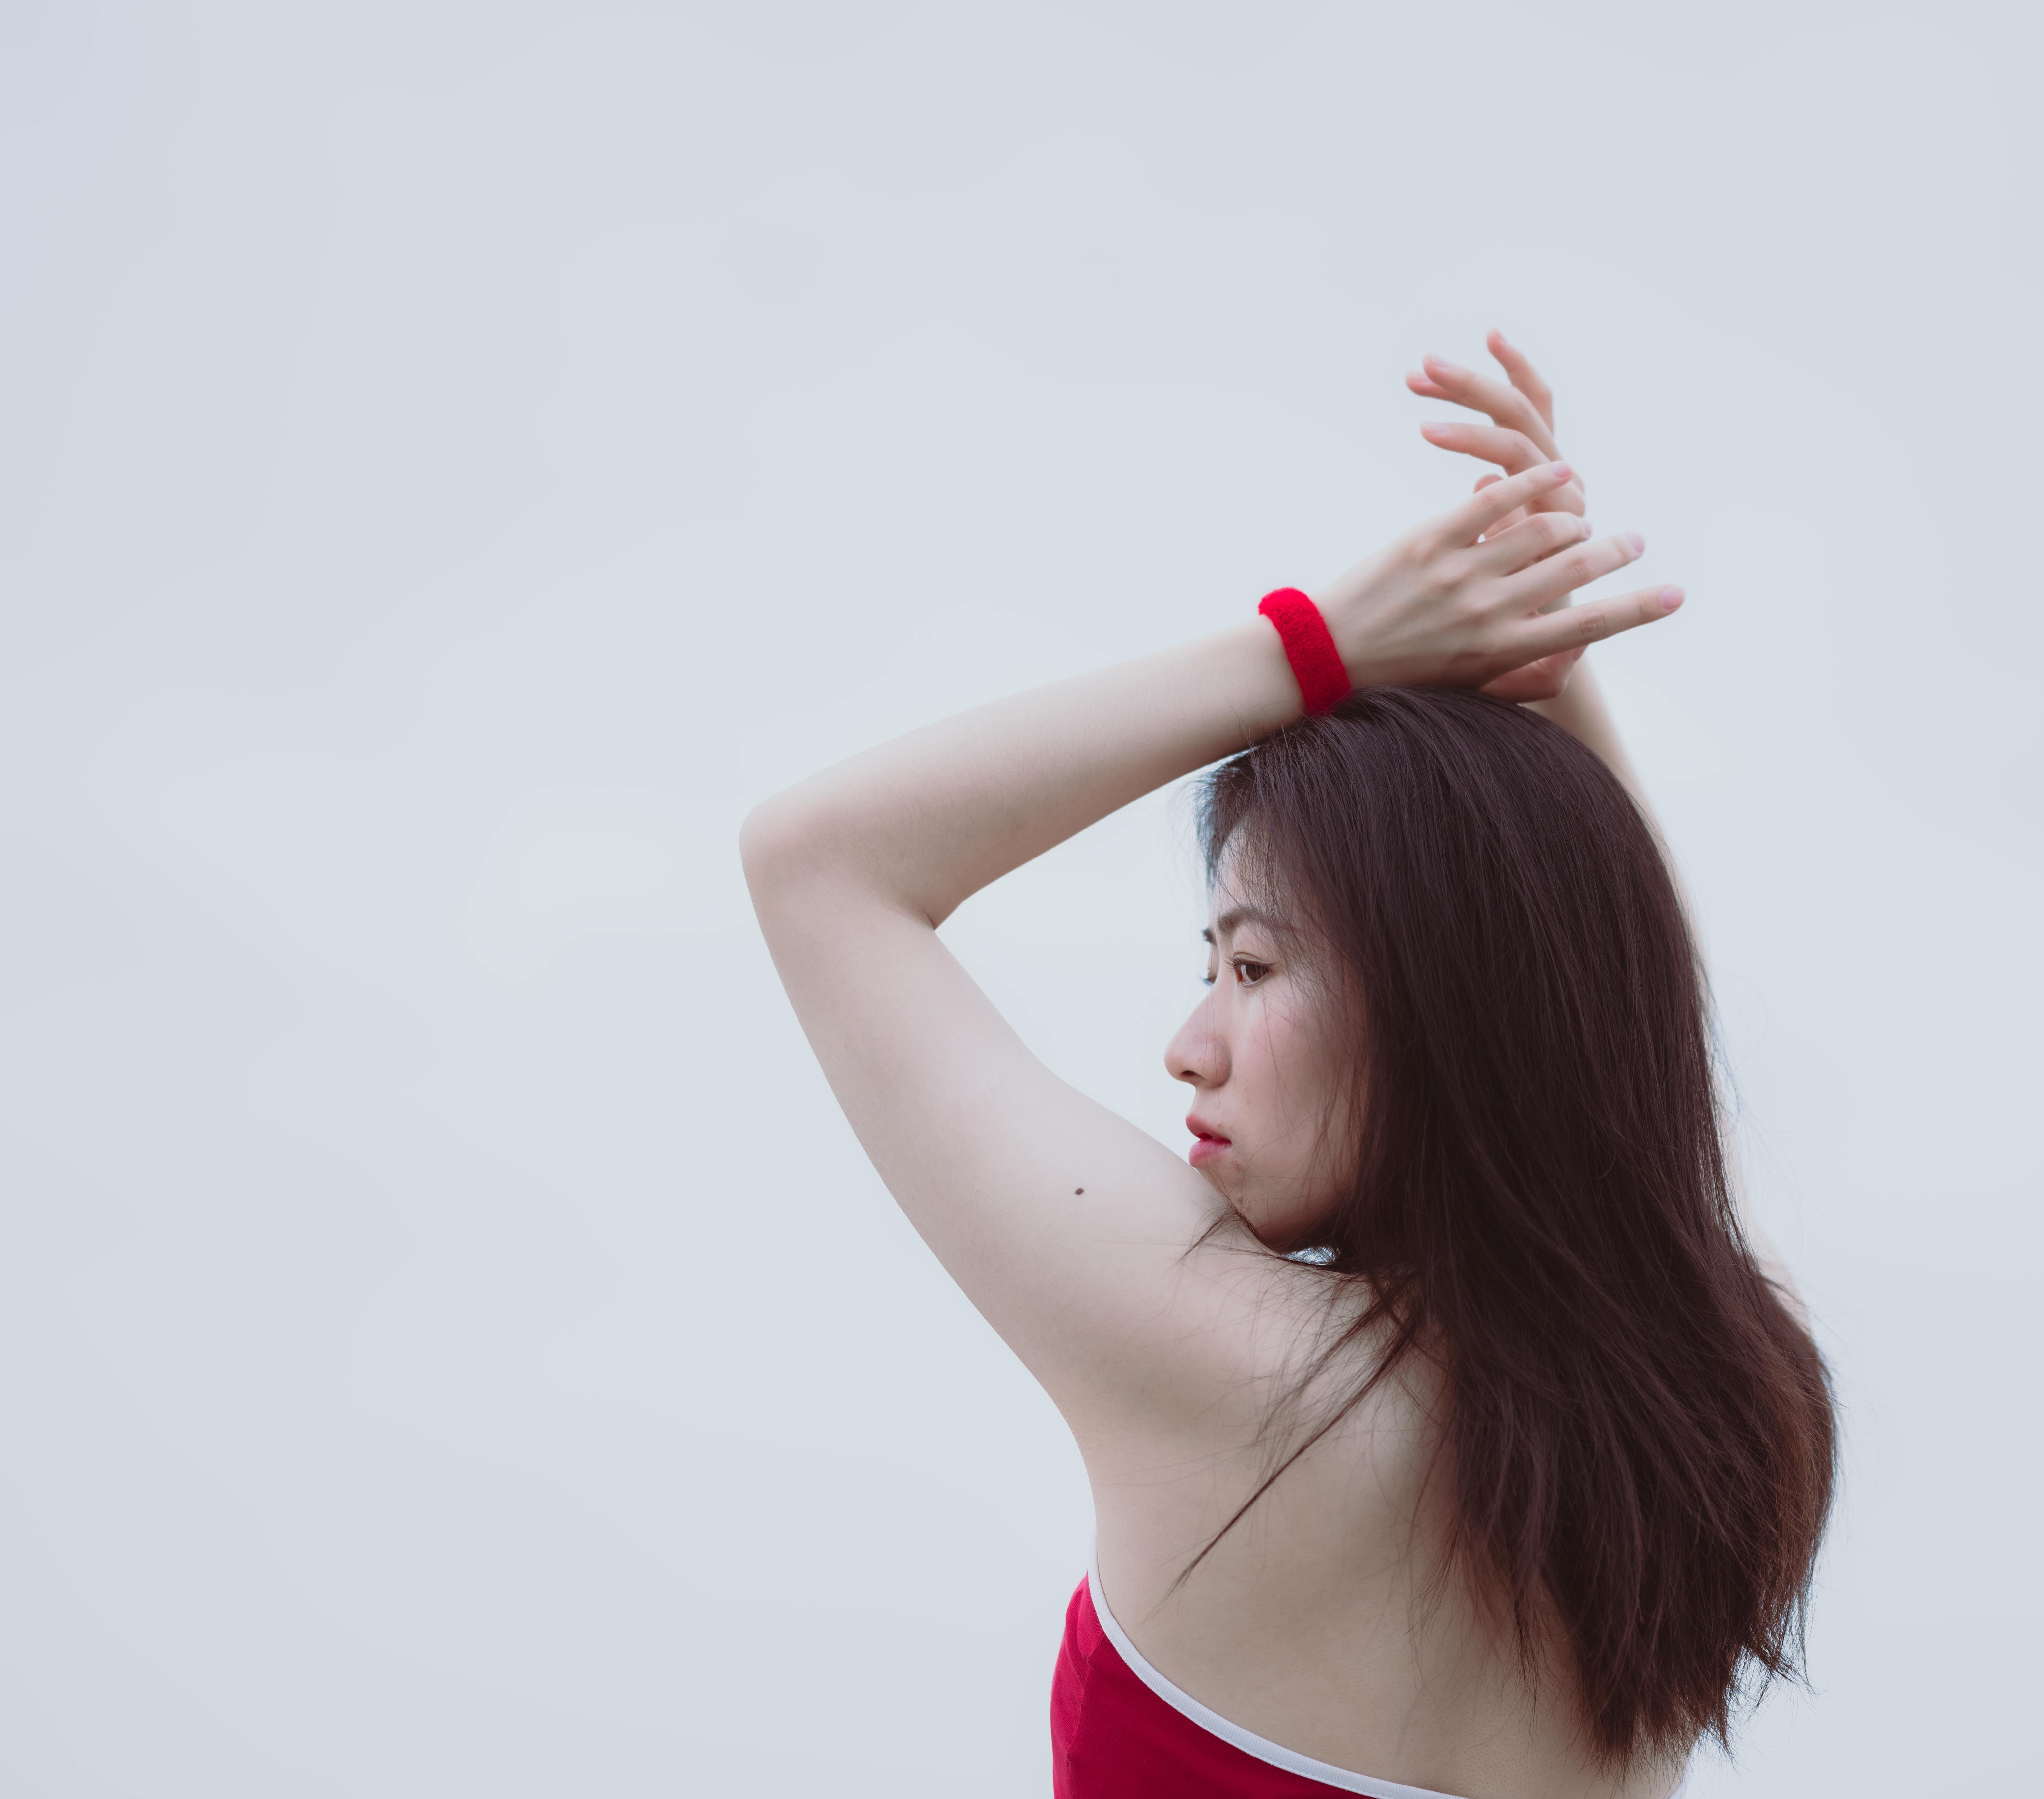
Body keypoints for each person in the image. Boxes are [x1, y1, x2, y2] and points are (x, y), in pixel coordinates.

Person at [741, 335, 1837, 1799]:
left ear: (1449, 1009)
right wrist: (1545, 654)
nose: (1187, 1046)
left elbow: (817, 863)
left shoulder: (1251, 1384)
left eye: (1251, 969)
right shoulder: (1735, 1420)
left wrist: (1318, 647)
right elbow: (1629, 1025)